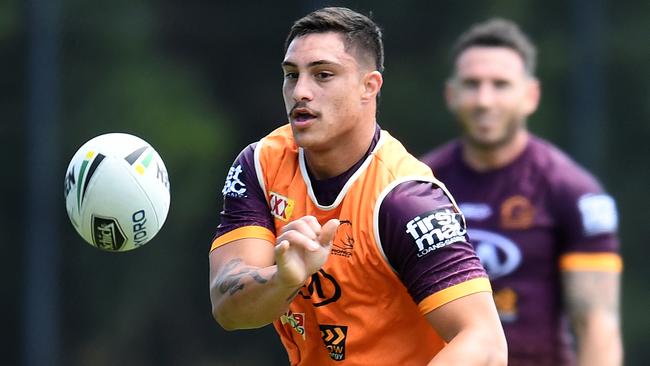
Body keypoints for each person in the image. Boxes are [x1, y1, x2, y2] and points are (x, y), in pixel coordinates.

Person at [208, 7, 507, 366]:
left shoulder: (406, 201)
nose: (300, 91)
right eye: (291, 75)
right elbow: (228, 310)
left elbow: (484, 341)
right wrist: (284, 279)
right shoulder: (260, 165)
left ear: (370, 87)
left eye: (323, 75)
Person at [420, 18, 623, 366]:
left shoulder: (572, 191)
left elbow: (596, 323)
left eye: (500, 85)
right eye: (472, 84)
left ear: (531, 95)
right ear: (451, 95)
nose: (484, 100)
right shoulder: (418, 186)